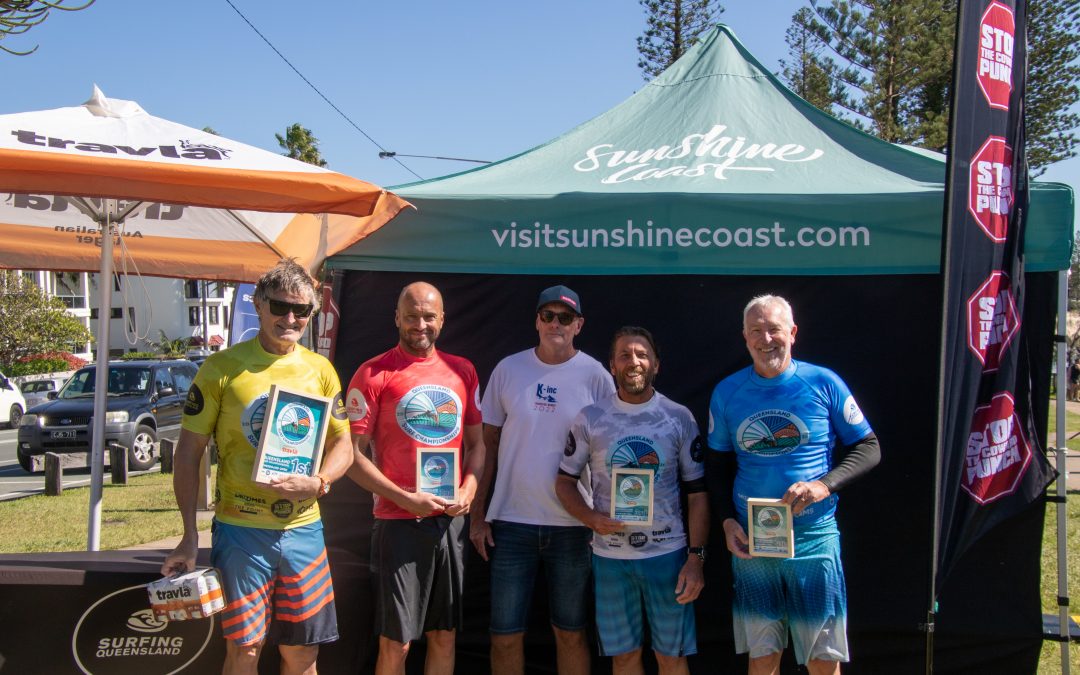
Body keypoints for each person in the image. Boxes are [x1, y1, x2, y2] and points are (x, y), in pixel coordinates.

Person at [162, 258, 354, 675]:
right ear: (258, 304)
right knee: (245, 649)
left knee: (303, 654)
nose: (290, 317)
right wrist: (188, 535)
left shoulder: (320, 369)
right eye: (280, 306)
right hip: (242, 530)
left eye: (301, 310)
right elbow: (188, 452)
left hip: (304, 530)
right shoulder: (220, 368)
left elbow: (345, 445)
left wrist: (320, 481)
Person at [706, 295, 881, 675]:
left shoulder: (824, 382)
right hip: (754, 539)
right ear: (744, 337)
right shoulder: (727, 392)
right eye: (756, 331)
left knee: (822, 657)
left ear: (793, 333)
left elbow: (869, 448)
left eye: (774, 329)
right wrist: (726, 522)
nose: (766, 338)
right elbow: (716, 466)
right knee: (762, 653)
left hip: (813, 537)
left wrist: (825, 485)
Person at [470, 285, 615, 675]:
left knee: (570, 632)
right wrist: (478, 514)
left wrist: (599, 518)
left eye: (565, 318)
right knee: (504, 635)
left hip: (573, 525)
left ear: (579, 325)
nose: (555, 324)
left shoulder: (597, 376)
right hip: (511, 522)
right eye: (548, 316)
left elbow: (607, 455)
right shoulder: (508, 369)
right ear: (536, 321)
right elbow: (488, 445)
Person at [344, 281, 484, 675]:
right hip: (398, 524)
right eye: (411, 317)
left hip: (449, 523)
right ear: (397, 318)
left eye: (428, 316)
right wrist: (405, 499)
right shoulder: (373, 373)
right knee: (397, 643)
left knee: (444, 635)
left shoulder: (463, 370)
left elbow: (477, 446)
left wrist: (469, 490)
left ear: (442, 319)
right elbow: (350, 457)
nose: (419, 325)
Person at [556, 326, 708, 675]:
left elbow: (698, 494)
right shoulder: (591, 417)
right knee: (623, 658)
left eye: (642, 354)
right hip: (611, 558)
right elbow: (563, 482)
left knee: (672, 657)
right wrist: (590, 518)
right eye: (625, 354)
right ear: (612, 365)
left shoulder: (678, 417)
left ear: (656, 364)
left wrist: (696, 559)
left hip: (667, 555)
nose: (633, 361)